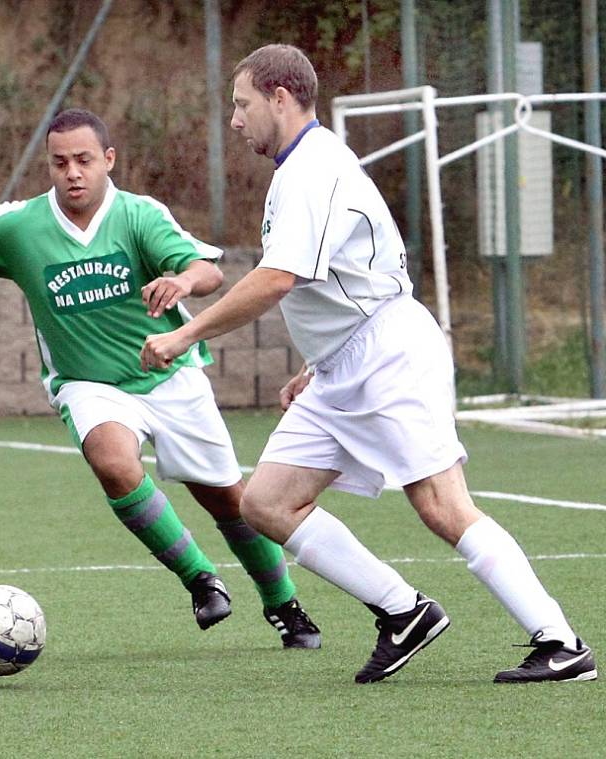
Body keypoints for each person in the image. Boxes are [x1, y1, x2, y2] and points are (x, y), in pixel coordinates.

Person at [140, 44, 597, 684]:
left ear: (280, 97)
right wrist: (314, 362)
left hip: (389, 357)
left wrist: (186, 335)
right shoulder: (299, 169)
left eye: (242, 105)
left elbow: (277, 279)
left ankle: (560, 642)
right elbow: (332, 277)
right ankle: (403, 610)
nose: (236, 121)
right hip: (342, 365)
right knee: (267, 503)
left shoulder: (312, 169)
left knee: (441, 505)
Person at [0, 107, 321, 649]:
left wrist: (181, 281)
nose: (73, 173)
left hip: (168, 374)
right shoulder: (18, 226)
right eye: (60, 162)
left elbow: (209, 270)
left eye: (85, 160)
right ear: (49, 165)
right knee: (112, 463)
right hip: (88, 384)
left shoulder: (138, 215)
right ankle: (201, 578)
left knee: (229, 501)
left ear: (108, 160)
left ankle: (284, 605)